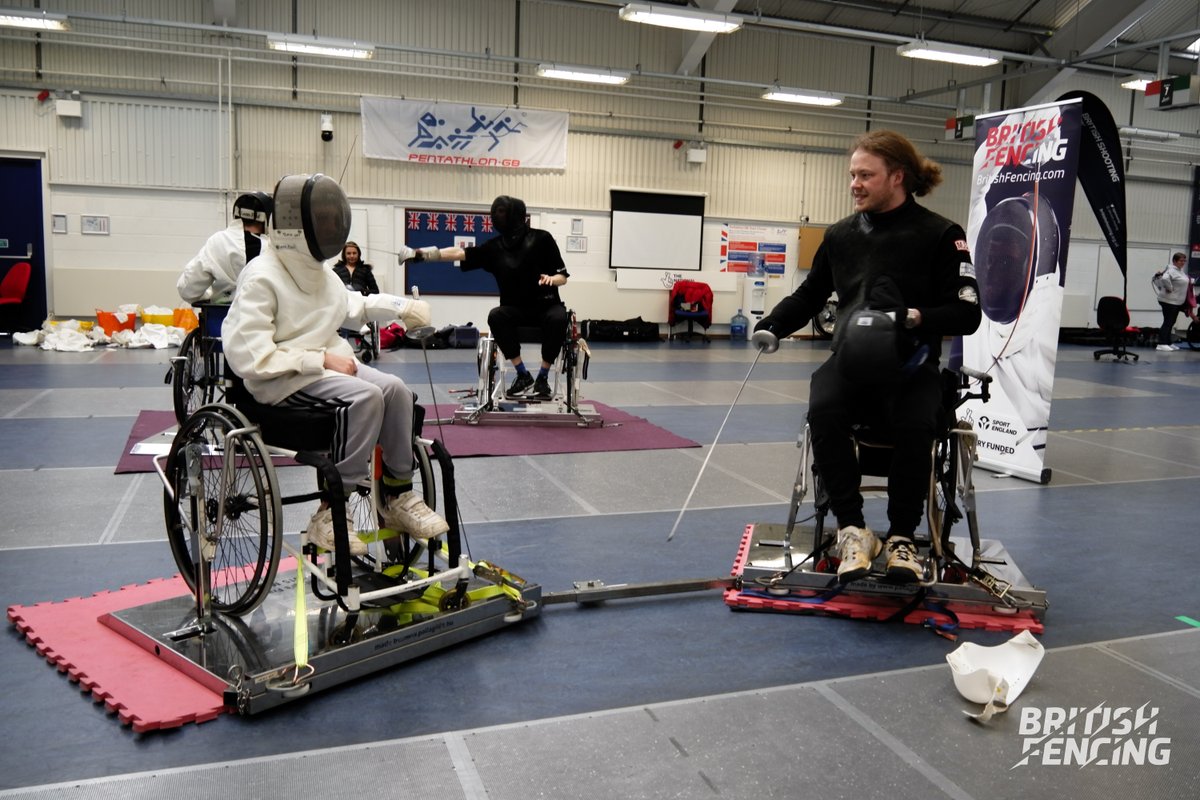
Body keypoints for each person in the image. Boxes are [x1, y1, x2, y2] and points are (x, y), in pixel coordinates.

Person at [751, 130, 982, 584]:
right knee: (824, 408)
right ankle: (853, 530)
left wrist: (915, 317)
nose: (854, 183)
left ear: (897, 176)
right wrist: (771, 326)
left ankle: (900, 538)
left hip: (911, 364)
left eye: (865, 175)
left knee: (919, 421)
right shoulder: (840, 235)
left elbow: (967, 312)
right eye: (852, 174)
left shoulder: (941, 235)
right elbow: (810, 294)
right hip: (851, 363)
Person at [222, 173, 448, 556]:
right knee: (365, 398)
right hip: (280, 382)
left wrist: (402, 307)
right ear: (298, 224)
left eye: (332, 219)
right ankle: (330, 512)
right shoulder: (261, 277)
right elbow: (250, 356)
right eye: (322, 220)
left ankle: (396, 498)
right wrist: (318, 358)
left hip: (322, 369)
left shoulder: (320, 273)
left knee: (395, 391)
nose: (331, 228)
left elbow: (352, 304)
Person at [398, 196, 569, 400]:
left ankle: (543, 376)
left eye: (502, 212)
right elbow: (460, 253)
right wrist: (423, 254)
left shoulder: (542, 239)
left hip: (546, 306)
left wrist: (552, 279)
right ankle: (523, 374)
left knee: (560, 317)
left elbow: (563, 277)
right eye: (496, 212)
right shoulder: (494, 248)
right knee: (496, 316)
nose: (497, 216)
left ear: (516, 215)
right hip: (516, 310)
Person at [177, 191, 272, 304]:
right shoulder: (272, 248)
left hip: (219, 319)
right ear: (268, 219)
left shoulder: (218, 241)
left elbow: (187, 290)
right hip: (262, 318)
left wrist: (210, 294)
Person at [1153, 252, 1193, 351]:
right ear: (1174, 261)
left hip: (1175, 302)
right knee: (1168, 322)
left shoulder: (1179, 270)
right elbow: (1165, 278)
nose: (1183, 262)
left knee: (1171, 322)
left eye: (1184, 260)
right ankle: (1161, 343)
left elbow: (1182, 281)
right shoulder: (1172, 270)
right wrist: (1169, 288)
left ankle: (1167, 342)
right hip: (1168, 301)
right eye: (1180, 260)